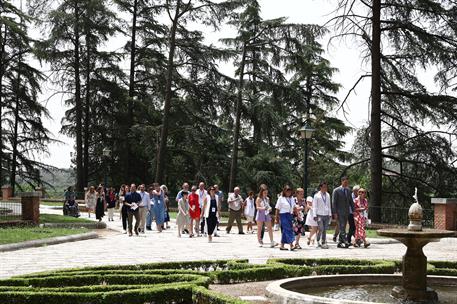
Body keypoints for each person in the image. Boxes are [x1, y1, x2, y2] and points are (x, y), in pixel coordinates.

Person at [332, 176, 355, 248]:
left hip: (346, 212)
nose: (346, 184)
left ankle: (339, 242)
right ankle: (345, 241)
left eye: (347, 182)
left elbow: (351, 201)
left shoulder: (348, 190)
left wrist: (353, 210)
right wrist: (334, 213)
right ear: (342, 182)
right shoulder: (336, 190)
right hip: (339, 212)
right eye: (345, 182)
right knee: (342, 227)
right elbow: (334, 202)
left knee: (343, 226)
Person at [275, 185, 295, 251]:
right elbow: (277, 209)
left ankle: (282, 245)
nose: (288, 193)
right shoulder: (281, 198)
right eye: (287, 191)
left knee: (285, 231)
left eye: (290, 191)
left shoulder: (292, 198)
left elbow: (293, 207)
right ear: (284, 191)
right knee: (288, 229)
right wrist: (276, 218)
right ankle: (291, 244)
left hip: (290, 215)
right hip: (283, 215)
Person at [313, 181, 332, 249]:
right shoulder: (316, 195)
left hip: (326, 214)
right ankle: (317, 240)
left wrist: (330, 214)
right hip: (319, 215)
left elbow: (329, 205)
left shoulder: (328, 195)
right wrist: (314, 215)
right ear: (320, 187)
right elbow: (314, 206)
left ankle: (323, 242)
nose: (325, 188)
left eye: (326, 187)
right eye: (324, 187)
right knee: (321, 228)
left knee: (324, 229)